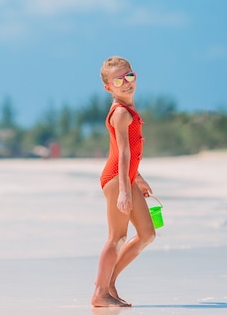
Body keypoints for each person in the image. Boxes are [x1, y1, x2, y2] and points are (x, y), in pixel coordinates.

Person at [91, 56, 156, 307]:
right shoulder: (120, 113)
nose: (126, 82)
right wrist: (124, 191)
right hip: (117, 179)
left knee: (147, 234)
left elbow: (127, 152)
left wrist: (137, 178)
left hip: (126, 177)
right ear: (109, 88)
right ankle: (99, 292)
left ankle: (109, 284)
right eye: (118, 80)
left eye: (129, 76)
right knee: (116, 236)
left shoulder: (129, 110)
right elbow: (123, 152)